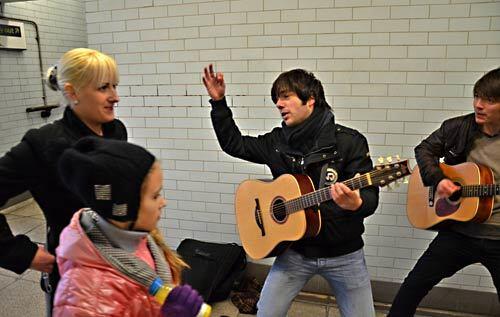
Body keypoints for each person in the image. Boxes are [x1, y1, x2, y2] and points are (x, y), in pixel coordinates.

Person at [202, 64, 380, 317]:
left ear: (310, 100)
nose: (278, 104)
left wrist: (357, 205)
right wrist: (218, 103)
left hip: (345, 254)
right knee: (266, 313)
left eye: (286, 97)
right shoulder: (276, 143)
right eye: (277, 98)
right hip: (295, 252)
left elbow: (371, 195)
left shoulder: (350, 142)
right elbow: (235, 144)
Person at [0, 48, 127, 313]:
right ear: (73, 92)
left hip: (119, 259)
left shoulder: (116, 131)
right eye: (104, 87)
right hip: (74, 270)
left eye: (114, 86)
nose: (115, 97)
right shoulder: (44, 144)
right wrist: (22, 253)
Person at [388, 68, 500, 316]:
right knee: (412, 287)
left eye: (489, 100)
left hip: (498, 237)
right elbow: (424, 149)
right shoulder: (460, 127)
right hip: (459, 232)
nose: (479, 105)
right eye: (477, 97)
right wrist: (438, 180)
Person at [53, 136, 204, 317]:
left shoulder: (137, 235)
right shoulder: (87, 296)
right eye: (155, 196)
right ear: (123, 209)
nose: (163, 202)